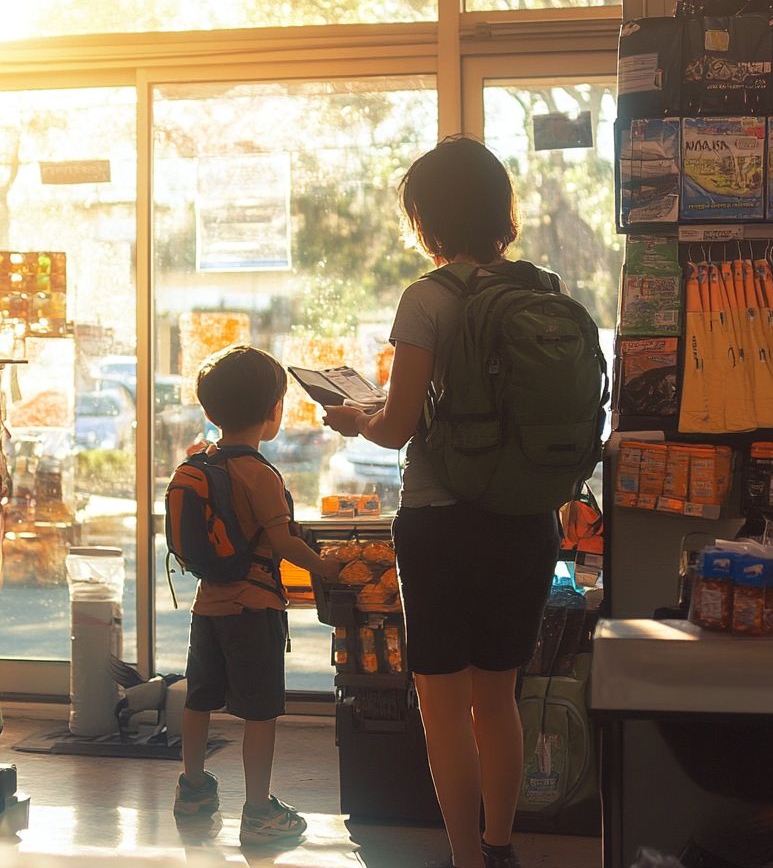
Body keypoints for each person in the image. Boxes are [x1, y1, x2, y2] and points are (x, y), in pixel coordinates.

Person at [323, 136, 562, 868]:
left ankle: (463, 857)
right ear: (500, 208)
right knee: (499, 700)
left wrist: (354, 416)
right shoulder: (543, 289)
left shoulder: (426, 298)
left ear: (427, 217)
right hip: (527, 522)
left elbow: (395, 429)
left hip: (442, 524)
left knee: (444, 708)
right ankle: (501, 847)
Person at [173, 345, 341, 846]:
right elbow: (286, 541)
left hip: (209, 606)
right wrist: (326, 567)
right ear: (274, 412)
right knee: (260, 711)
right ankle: (259, 809)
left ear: (209, 412)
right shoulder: (260, 473)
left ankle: (194, 790)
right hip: (255, 608)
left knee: (198, 698)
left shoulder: (204, 463)